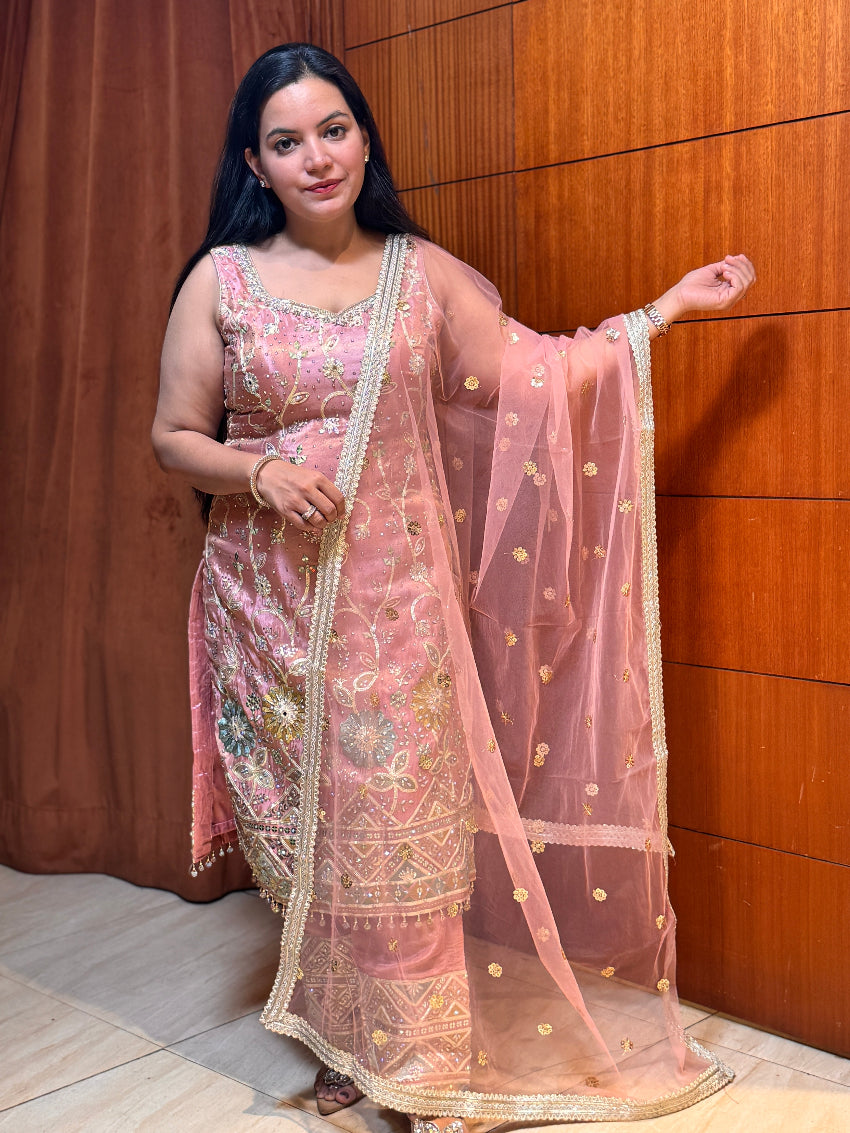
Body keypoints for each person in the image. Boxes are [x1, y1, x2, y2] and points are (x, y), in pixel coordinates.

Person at [152, 43, 755, 1130]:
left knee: (401, 827)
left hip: (395, 609)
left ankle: (423, 1061)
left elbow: (534, 371)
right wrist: (261, 468)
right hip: (262, 607)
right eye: (286, 141)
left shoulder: (417, 275)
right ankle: (347, 1037)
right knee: (303, 837)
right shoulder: (222, 281)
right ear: (255, 161)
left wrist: (659, 312)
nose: (315, 156)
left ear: (364, 137)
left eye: (332, 129)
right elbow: (173, 435)